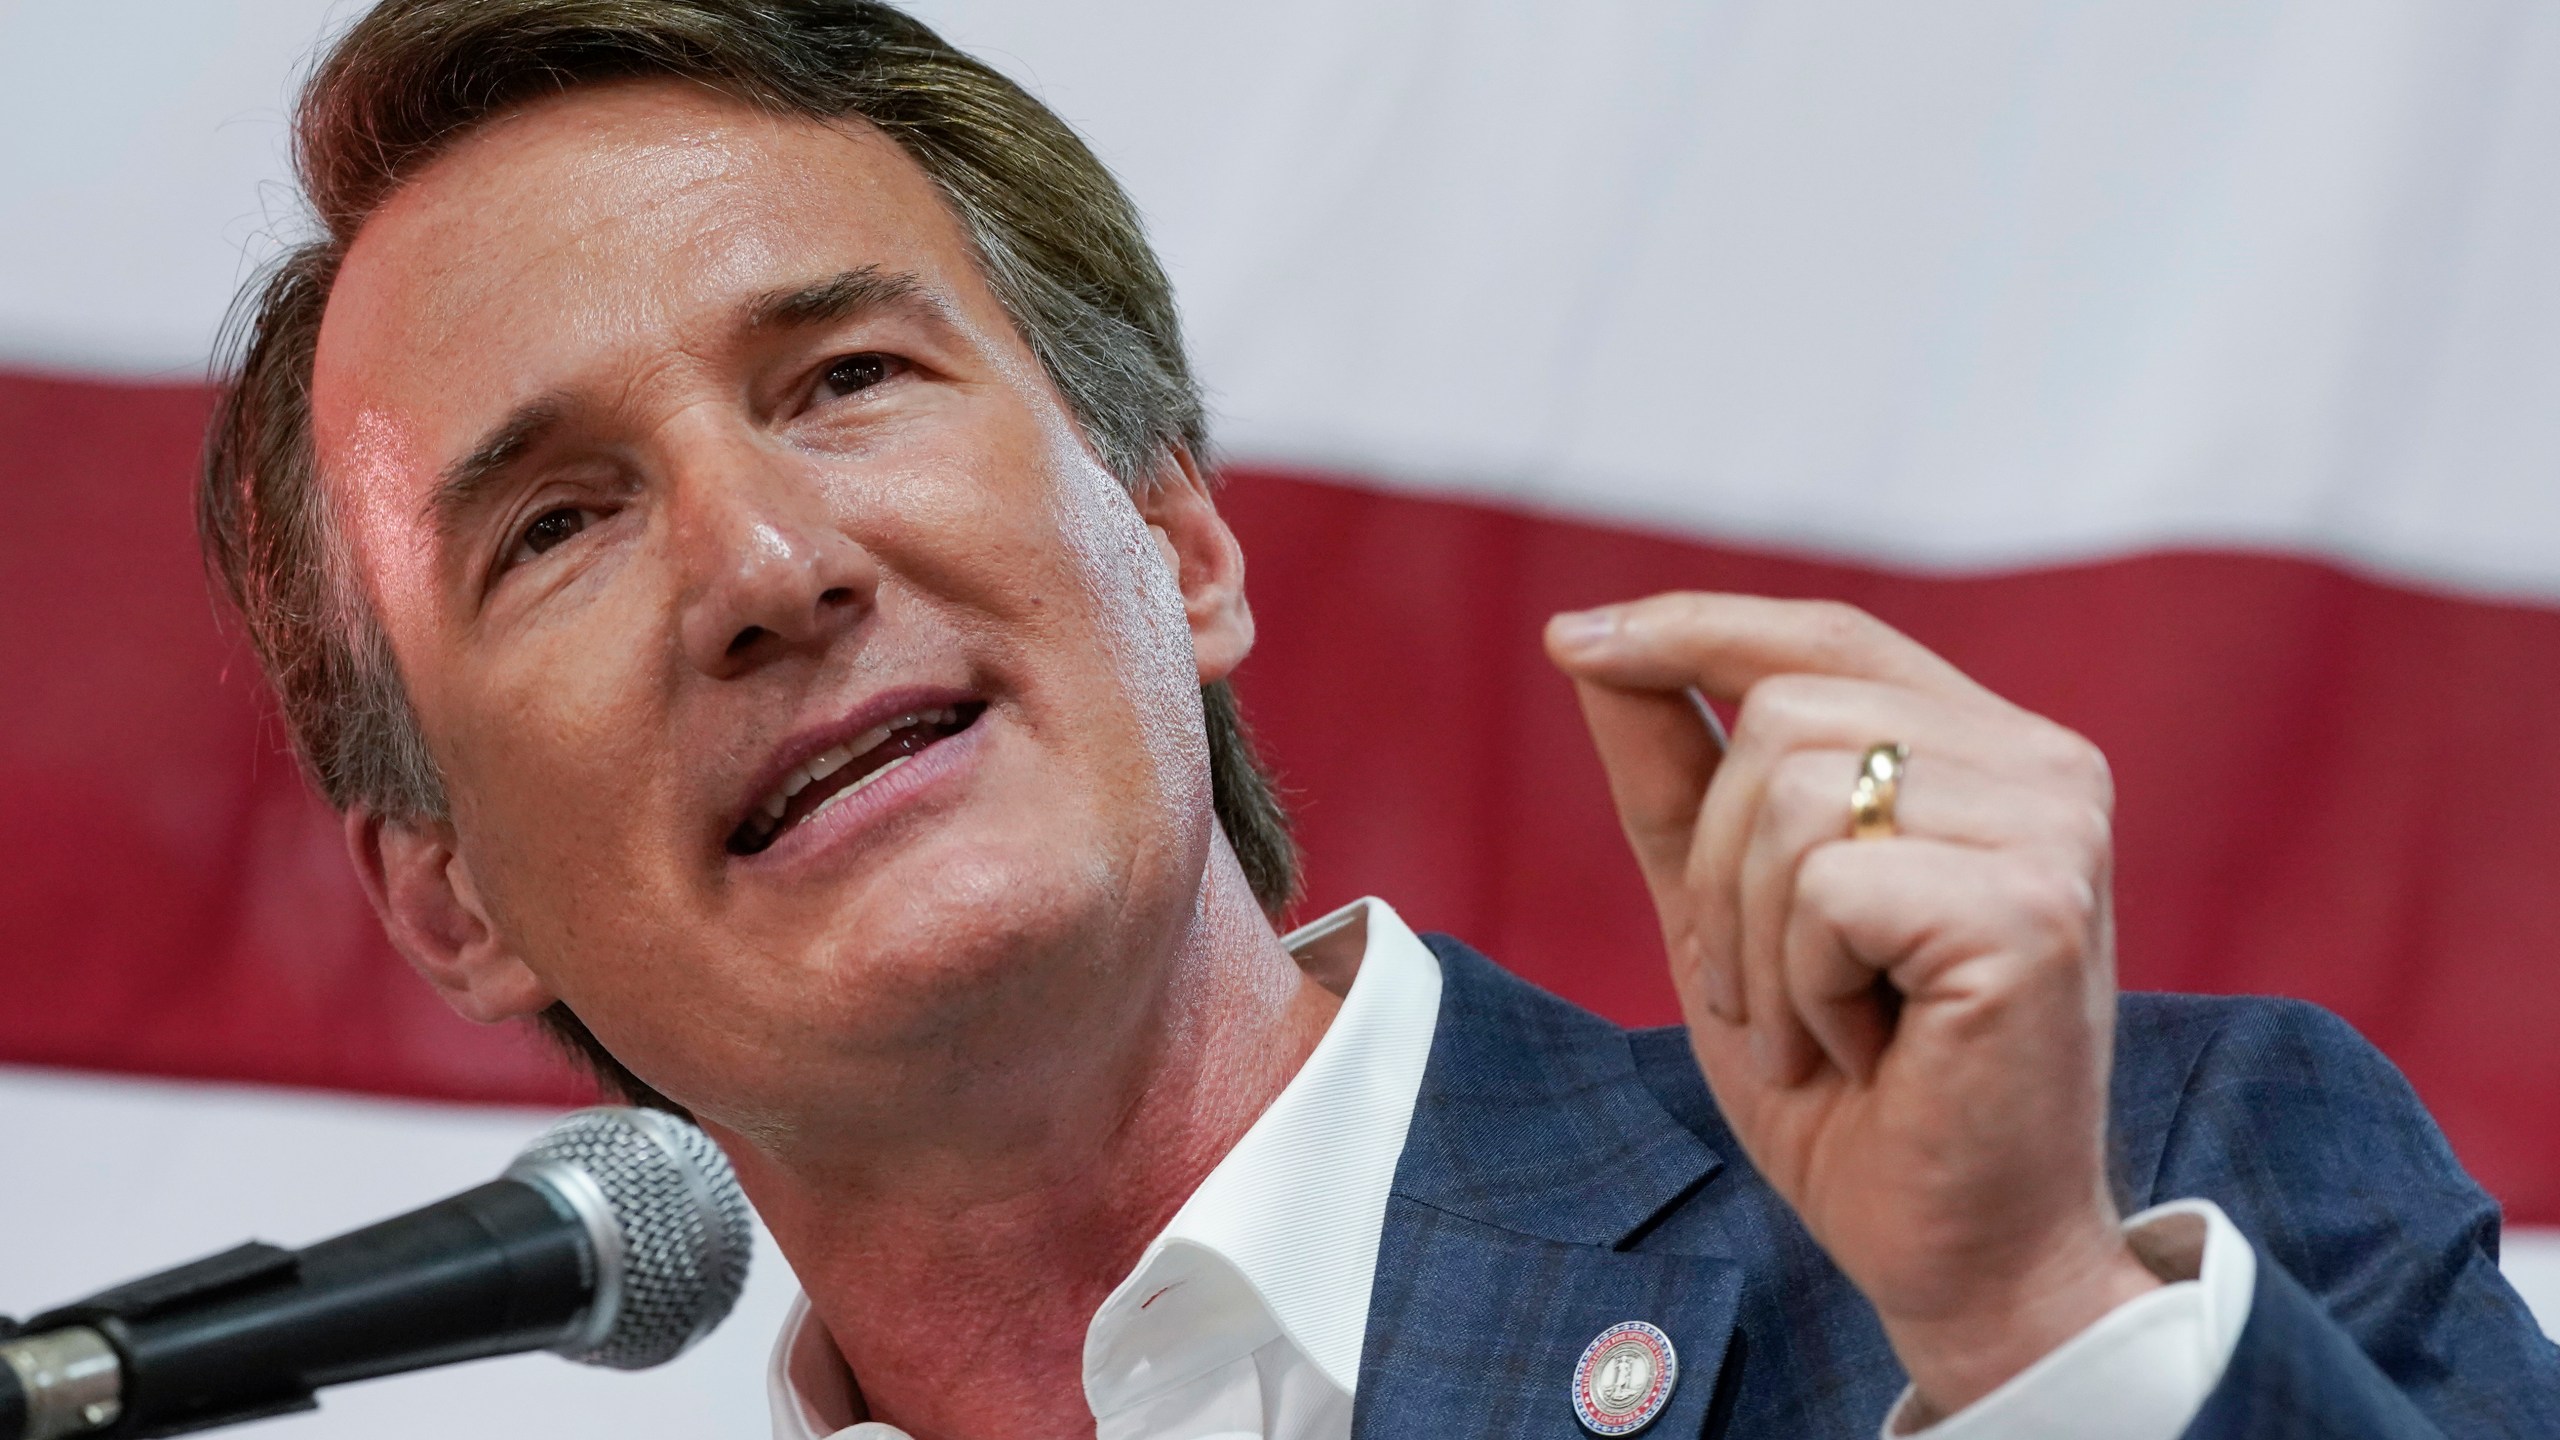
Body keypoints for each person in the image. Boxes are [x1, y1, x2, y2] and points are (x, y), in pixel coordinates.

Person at [194, 2, 2558, 1437]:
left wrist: (2032, 1335)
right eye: (553, 528)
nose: (764, 568)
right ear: (448, 895)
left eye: (844, 379)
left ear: (1181, 553)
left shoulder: (2127, 1181)